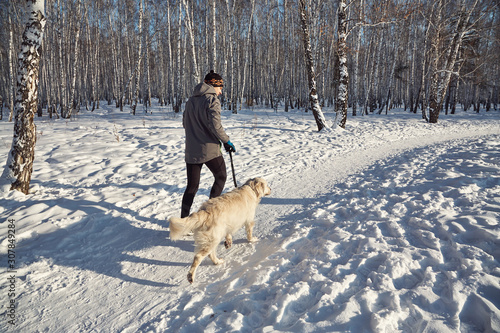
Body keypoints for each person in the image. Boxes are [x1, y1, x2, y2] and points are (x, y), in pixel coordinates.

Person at [180, 70, 236, 218]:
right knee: (221, 176)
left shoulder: (190, 101)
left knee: (192, 187)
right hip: (209, 149)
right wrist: (226, 141)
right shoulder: (212, 100)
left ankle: (184, 220)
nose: (221, 92)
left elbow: (185, 124)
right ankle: (210, 215)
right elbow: (216, 126)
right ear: (213, 85)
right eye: (220, 88)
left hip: (192, 150)